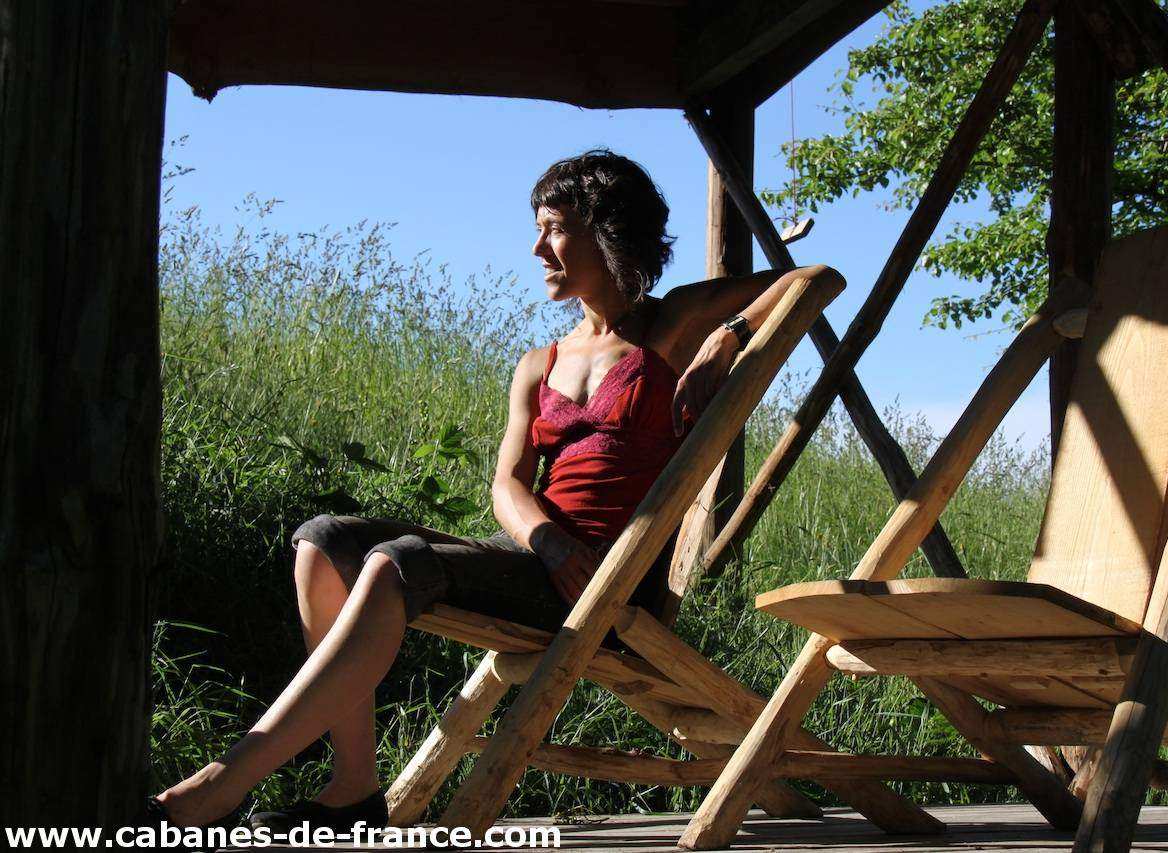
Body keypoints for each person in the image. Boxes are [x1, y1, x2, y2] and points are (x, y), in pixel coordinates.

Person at [144, 148, 808, 832]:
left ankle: (220, 786)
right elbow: (508, 485)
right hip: (539, 557)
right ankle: (353, 787)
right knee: (322, 540)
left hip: (607, 579)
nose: (537, 248)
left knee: (396, 563)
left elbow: (810, 277)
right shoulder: (539, 363)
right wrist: (547, 541)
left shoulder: (671, 325)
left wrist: (728, 338)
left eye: (554, 228)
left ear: (606, 231)